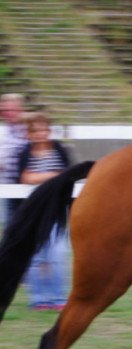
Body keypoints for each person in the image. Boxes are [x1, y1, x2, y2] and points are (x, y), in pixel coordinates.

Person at [18, 112, 71, 310]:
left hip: (56, 209)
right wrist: (52, 176)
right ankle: (39, 299)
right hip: (33, 212)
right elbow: (24, 178)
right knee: (37, 256)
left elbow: (68, 174)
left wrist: (39, 177)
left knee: (58, 253)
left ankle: (58, 298)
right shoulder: (25, 152)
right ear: (30, 134)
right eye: (36, 130)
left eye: (44, 129)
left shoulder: (59, 149)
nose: (41, 134)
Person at [0, 93, 27, 223]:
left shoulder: (29, 130)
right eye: (5, 110)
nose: (9, 113)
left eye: (13, 110)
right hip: (8, 186)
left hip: (28, 187)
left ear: (21, 110)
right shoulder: (3, 132)